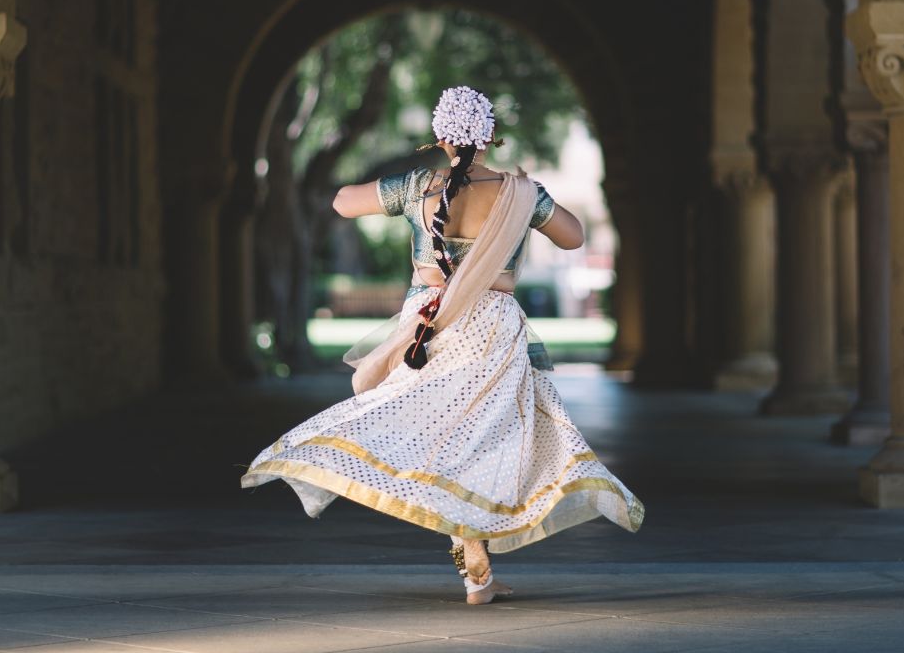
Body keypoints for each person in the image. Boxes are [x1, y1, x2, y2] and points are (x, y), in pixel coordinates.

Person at [239, 86, 644, 605]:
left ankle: (474, 569)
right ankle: (478, 569)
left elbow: (342, 202)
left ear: (439, 137)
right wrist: (532, 202)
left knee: (429, 433)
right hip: (492, 329)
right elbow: (574, 237)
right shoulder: (519, 193)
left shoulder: (418, 188)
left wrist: (397, 186)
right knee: (482, 440)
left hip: (426, 327)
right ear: (492, 136)